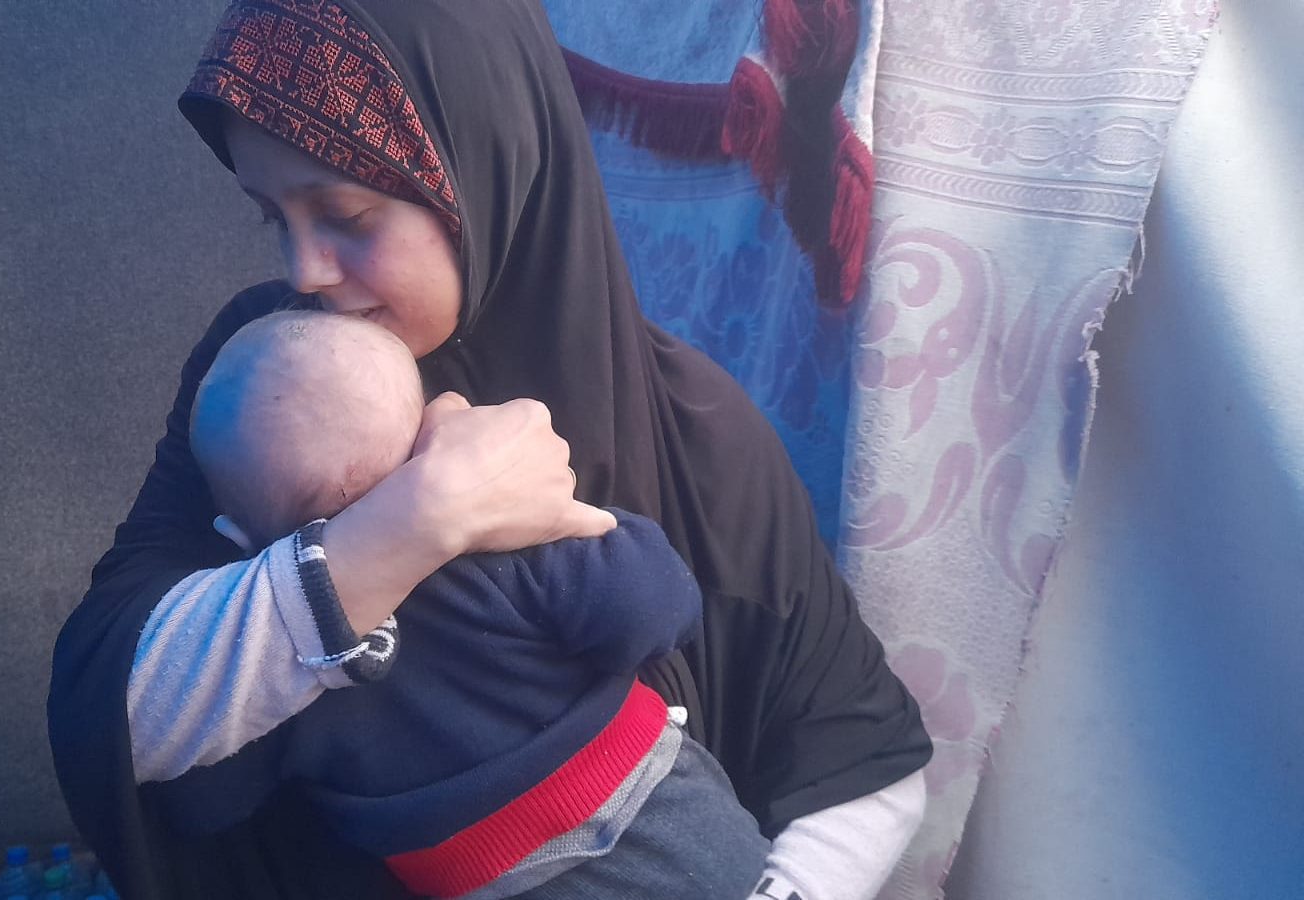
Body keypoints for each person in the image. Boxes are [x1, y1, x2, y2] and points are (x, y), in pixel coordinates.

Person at [48, 2, 933, 898]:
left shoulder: (696, 431)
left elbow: (862, 756)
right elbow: (118, 719)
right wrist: (413, 525)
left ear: (485, 164)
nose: (304, 271)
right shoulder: (268, 374)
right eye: (271, 217)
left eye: (346, 213)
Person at [152, 307, 779, 898]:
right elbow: (659, 610)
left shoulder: (277, 667)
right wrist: (592, 524)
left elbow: (201, 800)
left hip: (478, 880)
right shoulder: (509, 548)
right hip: (658, 815)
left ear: (233, 535)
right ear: (431, 440)